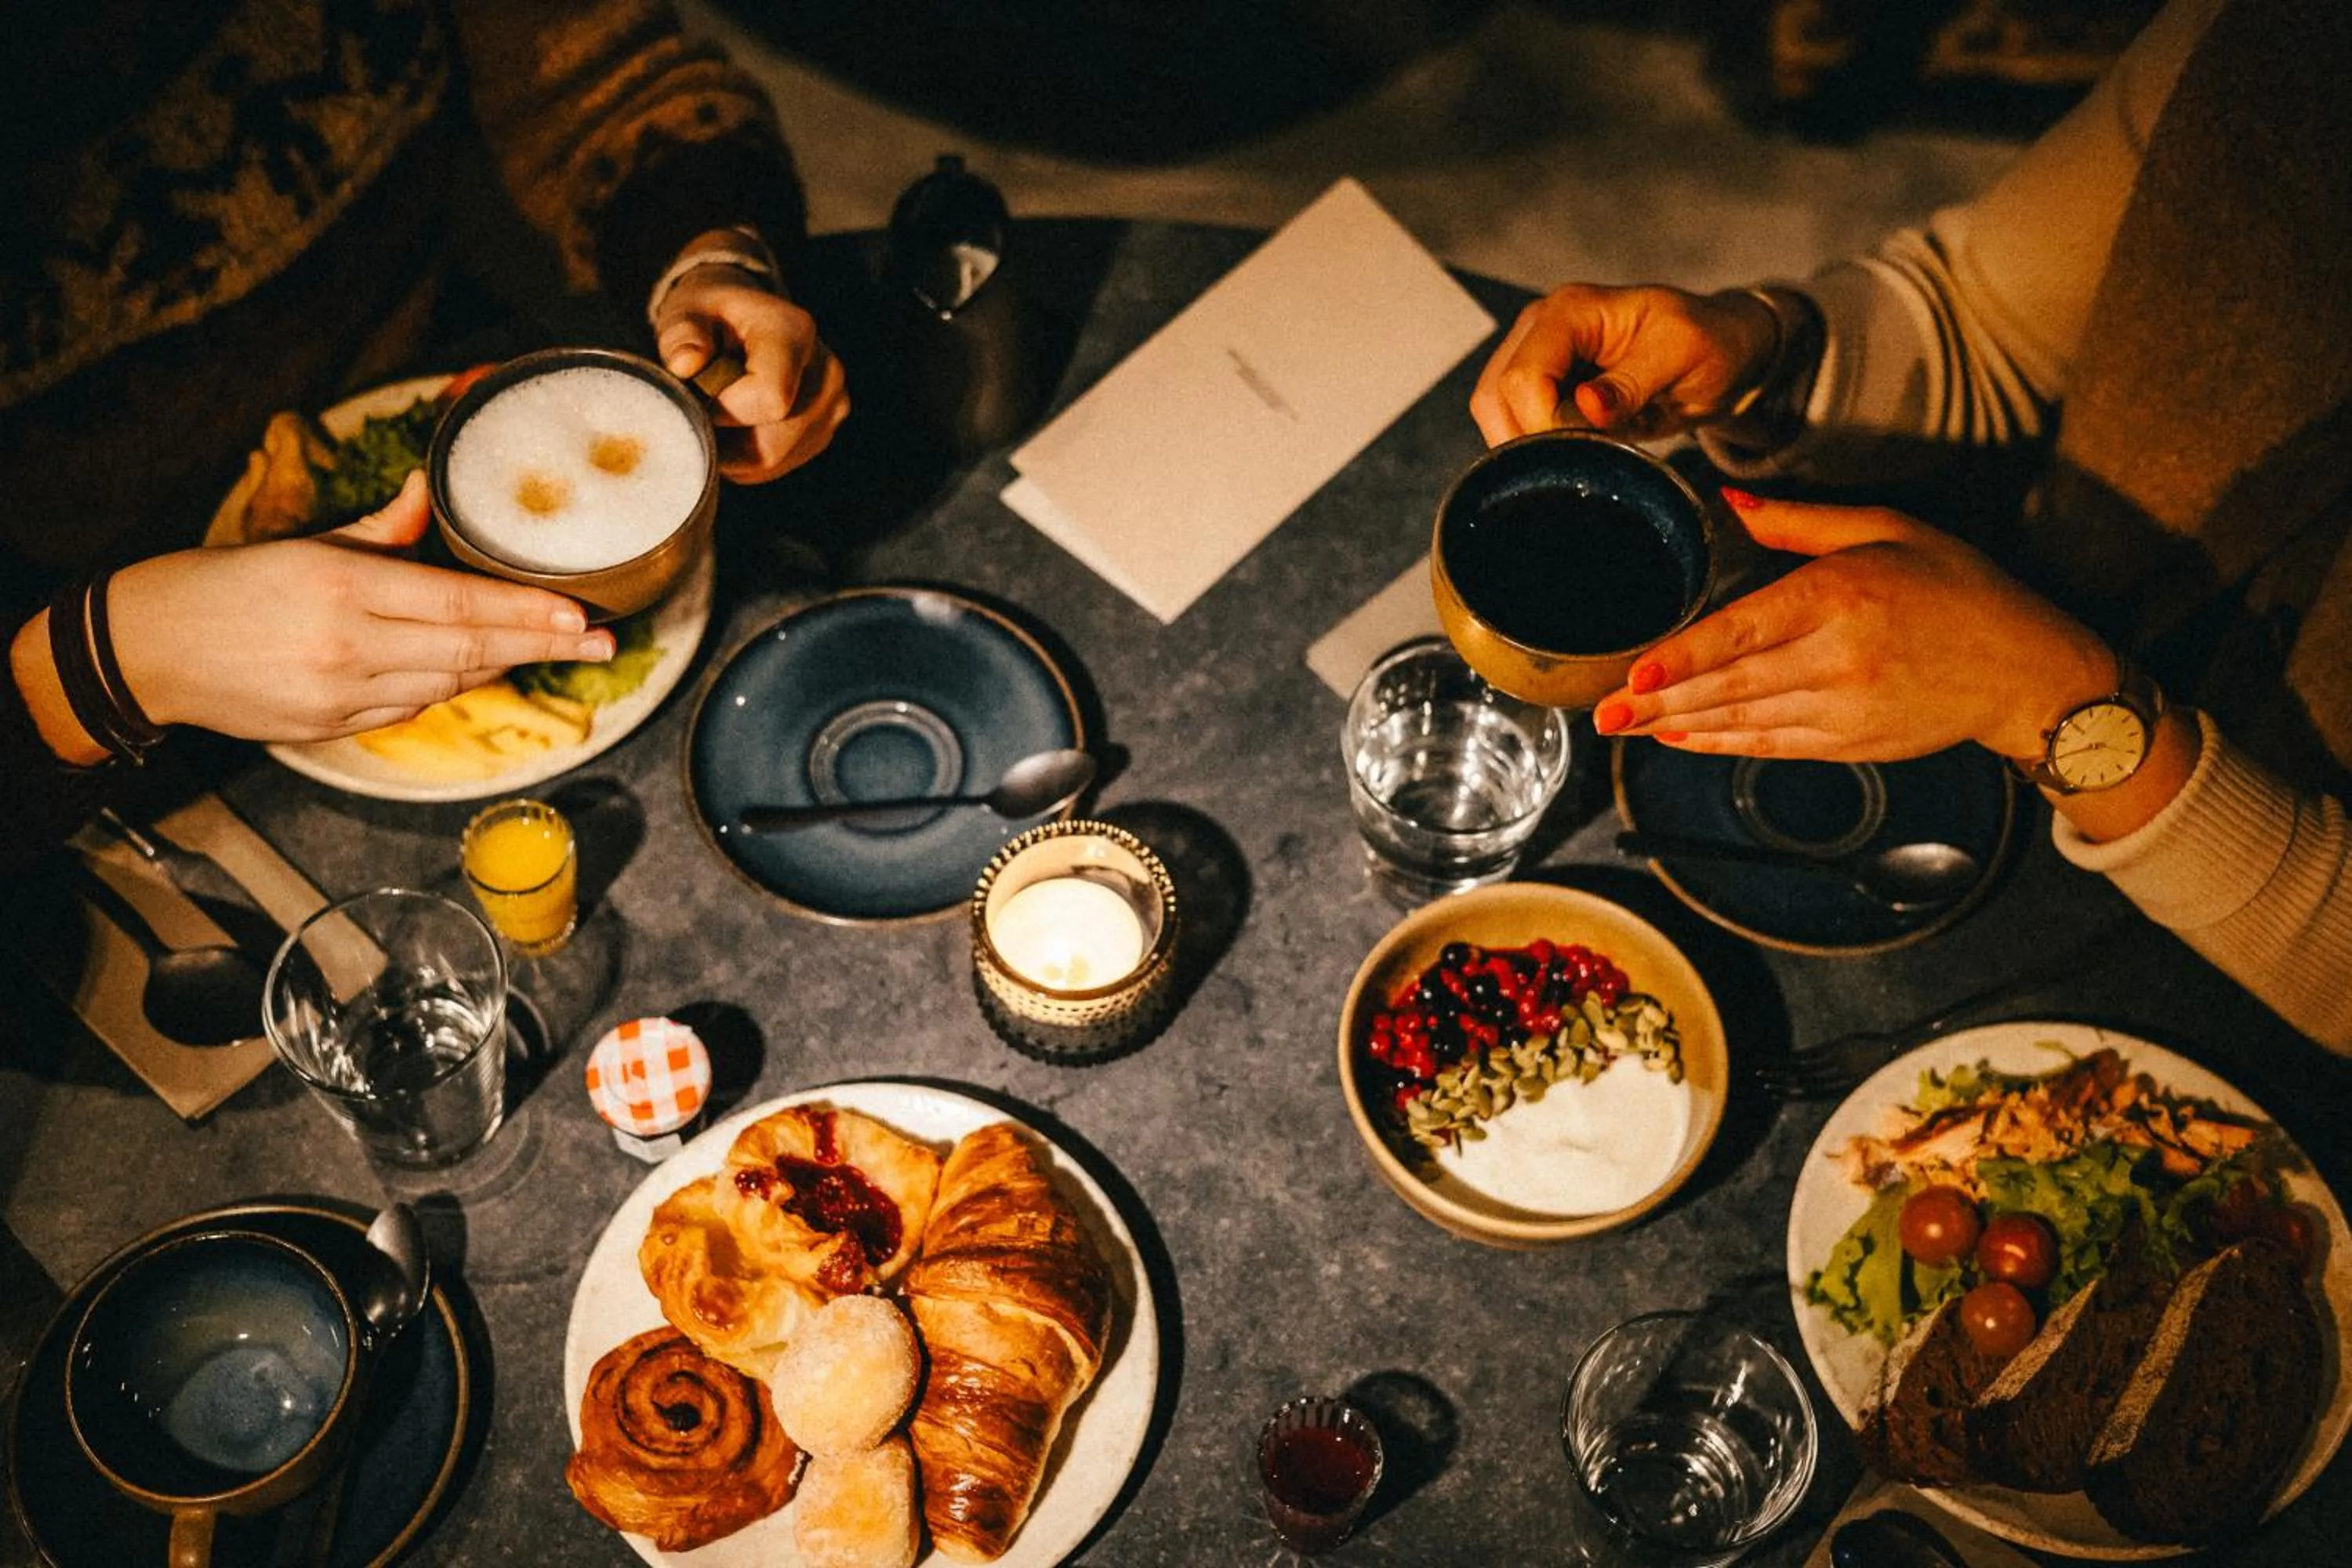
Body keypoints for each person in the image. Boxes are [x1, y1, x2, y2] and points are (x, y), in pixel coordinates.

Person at [1470, 0, 2352, 1051]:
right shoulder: (2289, 37)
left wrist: (2052, 699)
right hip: (2007, 689)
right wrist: (1765, 353)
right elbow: (1984, 317)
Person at [1, 0, 850, 874]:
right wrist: (103, 667)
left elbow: (602, 78)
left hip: (450, 366)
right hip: (75, 700)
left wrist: (711, 259)